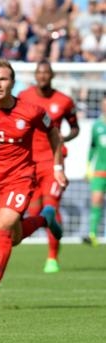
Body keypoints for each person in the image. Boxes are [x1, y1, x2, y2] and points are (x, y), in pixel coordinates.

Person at [0, 59, 66, 309]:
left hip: (22, 178)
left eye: (3, 79)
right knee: (13, 237)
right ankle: (45, 218)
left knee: (3, 225)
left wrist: (58, 166)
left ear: (13, 82)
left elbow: (53, 134)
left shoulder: (32, 111)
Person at [18, 60, 80, 273]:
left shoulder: (64, 101)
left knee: (51, 205)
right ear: (36, 75)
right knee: (35, 210)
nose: (43, 76)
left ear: (51, 75)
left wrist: (63, 138)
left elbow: (75, 128)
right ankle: (48, 222)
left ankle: (52, 258)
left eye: (46, 73)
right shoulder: (24, 97)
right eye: (39, 73)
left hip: (54, 161)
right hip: (29, 162)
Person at [83, 98, 106, 247]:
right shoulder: (97, 125)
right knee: (96, 200)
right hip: (100, 170)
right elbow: (92, 147)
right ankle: (92, 234)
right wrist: (87, 166)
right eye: (103, 103)